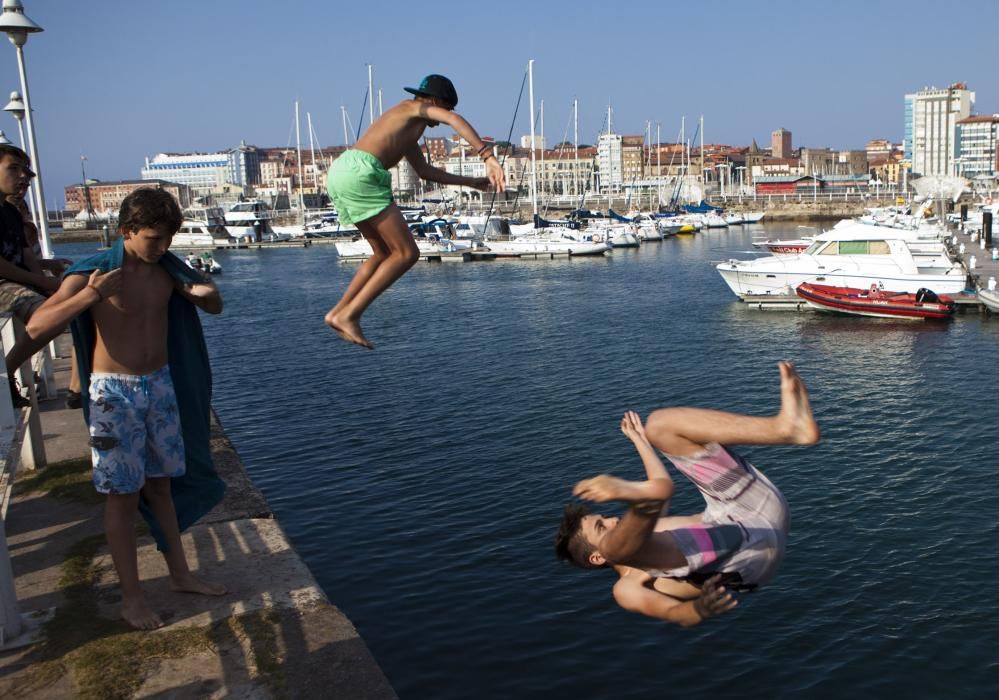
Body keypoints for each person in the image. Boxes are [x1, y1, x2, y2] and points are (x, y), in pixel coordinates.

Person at [28, 188, 227, 629]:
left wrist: (200, 294)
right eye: (154, 239)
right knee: (122, 495)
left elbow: (216, 305)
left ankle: (180, 575)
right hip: (112, 395)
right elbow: (38, 325)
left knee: (160, 488)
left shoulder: (169, 272)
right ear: (127, 231)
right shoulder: (95, 272)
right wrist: (89, 296)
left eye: (169, 238)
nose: (163, 247)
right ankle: (131, 599)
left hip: (159, 387)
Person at [554, 361, 820, 627]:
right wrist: (697, 609)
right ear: (595, 559)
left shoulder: (648, 528)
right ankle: (641, 501)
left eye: (606, 517)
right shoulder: (625, 589)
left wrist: (641, 440)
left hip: (747, 511)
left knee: (661, 425)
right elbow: (673, 613)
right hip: (745, 558)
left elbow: (661, 484)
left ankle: (787, 429)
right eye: (602, 526)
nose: (612, 520)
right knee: (621, 548)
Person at [325, 74, 506, 349]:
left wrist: (470, 182)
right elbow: (455, 122)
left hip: (342, 171)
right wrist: (488, 157)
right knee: (408, 253)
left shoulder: (408, 127)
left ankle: (338, 312)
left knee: (383, 253)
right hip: (363, 173)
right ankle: (350, 314)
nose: (447, 114)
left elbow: (424, 172)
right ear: (434, 101)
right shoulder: (413, 108)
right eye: (447, 107)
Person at [0, 144, 63, 407]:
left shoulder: (11, 212)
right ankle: (5, 373)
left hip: (19, 281)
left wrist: (52, 286)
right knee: (46, 313)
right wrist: (42, 282)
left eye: (24, 170)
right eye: (13, 169)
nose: (23, 176)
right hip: (4, 283)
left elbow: (28, 259)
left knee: (72, 305)